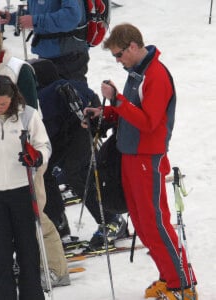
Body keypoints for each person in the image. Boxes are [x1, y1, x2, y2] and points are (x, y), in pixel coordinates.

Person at [82, 23, 198, 299]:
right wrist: (106, 113)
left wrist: (118, 101)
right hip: (129, 155)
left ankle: (182, 284)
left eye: (119, 55)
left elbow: (148, 122)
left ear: (133, 47)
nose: (118, 61)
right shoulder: (136, 72)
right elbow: (132, 113)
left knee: (156, 222)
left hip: (148, 158)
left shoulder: (156, 74)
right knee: (142, 223)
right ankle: (168, 277)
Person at [0, 22, 70, 288]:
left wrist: (32, 153)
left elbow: (29, 111)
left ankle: (56, 268)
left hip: (27, 153)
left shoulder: (19, 70)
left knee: (36, 216)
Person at [0, 75, 50, 299]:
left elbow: (44, 145)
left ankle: (31, 294)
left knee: (27, 247)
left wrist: (36, 156)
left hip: (22, 189)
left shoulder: (28, 115)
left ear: (12, 98)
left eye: (3, 103)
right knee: (0, 249)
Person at [30, 58, 128, 248]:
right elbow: (93, 99)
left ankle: (110, 220)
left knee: (74, 173)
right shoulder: (70, 85)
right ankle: (59, 224)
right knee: (49, 173)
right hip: (79, 129)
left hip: (72, 132)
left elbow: (43, 129)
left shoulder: (43, 97)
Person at [0, 0, 89, 81]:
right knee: (48, 98)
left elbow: (71, 17)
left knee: (72, 98)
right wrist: (13, 18)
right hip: (46, 56)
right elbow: (39, 12)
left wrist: (35, 21)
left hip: (69, 56)